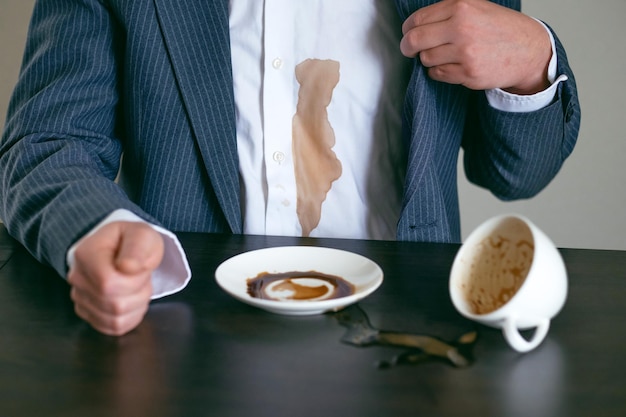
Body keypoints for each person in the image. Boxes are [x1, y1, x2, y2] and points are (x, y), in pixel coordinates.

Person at [0, 0, 580, 336]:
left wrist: (533, 61)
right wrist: (100, 232)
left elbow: (515, 174)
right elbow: (49, 141)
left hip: (408, 338)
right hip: (182, 332)